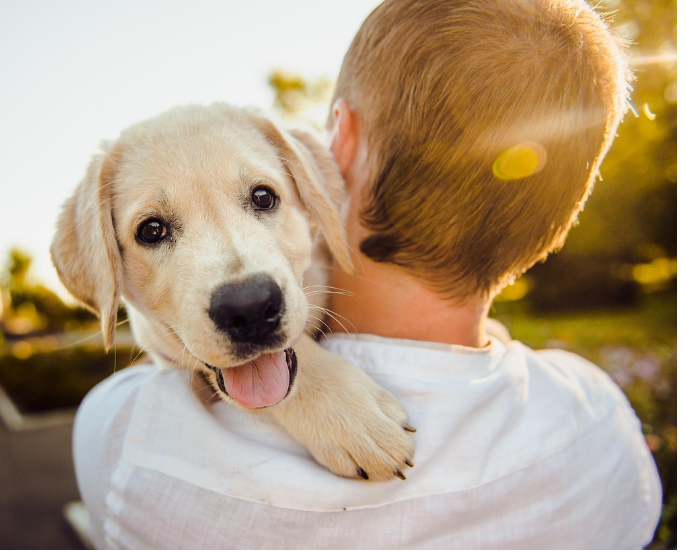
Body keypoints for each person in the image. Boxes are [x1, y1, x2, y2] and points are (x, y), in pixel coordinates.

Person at [72, 0, 662, 548]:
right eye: (154, 231)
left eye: (260, 196)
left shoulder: (126, 436)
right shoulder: (602, 424)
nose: (243, 285)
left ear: (338, 148)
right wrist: (305, 382)